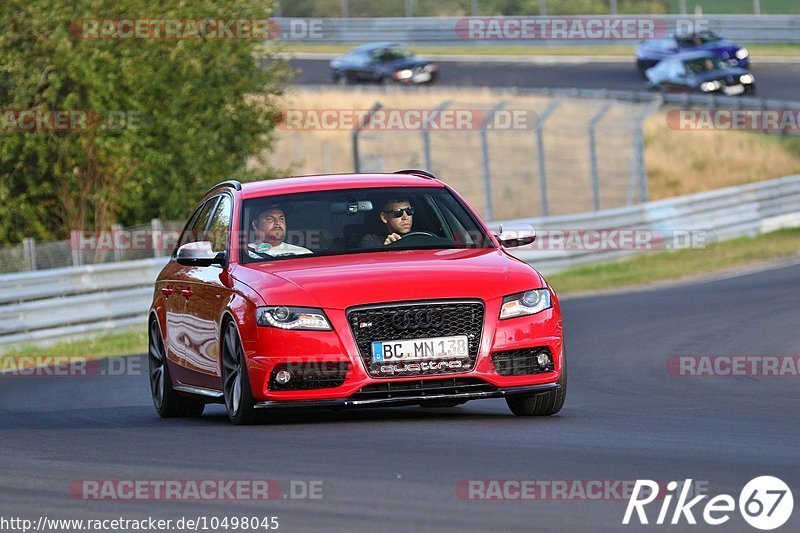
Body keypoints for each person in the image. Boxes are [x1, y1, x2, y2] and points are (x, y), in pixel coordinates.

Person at [247, 205, 312, 258]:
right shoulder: (244, 254)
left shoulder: (303, 254)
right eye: (270, 219)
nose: (278, 223)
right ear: (255, 225)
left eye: (281, 219)